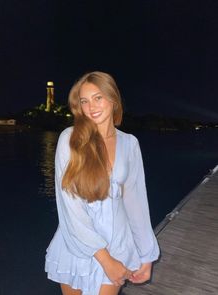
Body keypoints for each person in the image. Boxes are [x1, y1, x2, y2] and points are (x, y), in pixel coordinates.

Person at [45, 71, 160, 295]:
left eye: (98, 98)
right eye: (84, 101)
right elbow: (71, 208)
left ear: (113, 99)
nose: (91, 107)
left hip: (118, 242)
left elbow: (135, 202)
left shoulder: (130, 143)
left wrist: (147, 255)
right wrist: (104, 259)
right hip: (77, 243)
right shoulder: (70, 139)